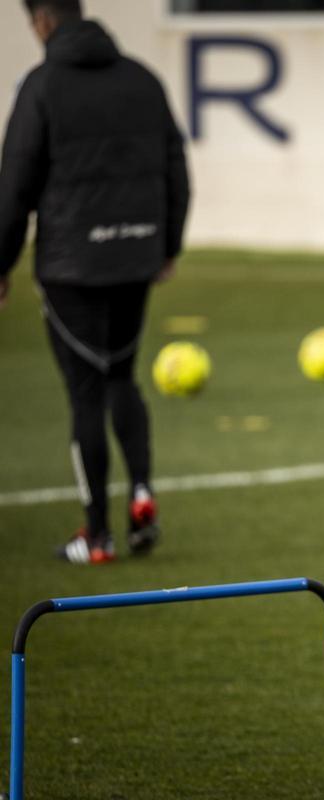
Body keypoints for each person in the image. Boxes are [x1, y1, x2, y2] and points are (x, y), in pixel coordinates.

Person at [0, 0, 190, 563]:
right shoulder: (142, 80)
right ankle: (141, 494)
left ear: (40, 21)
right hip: (134, 258)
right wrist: (167, 246)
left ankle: (96, 535)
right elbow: (176, 169)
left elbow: (14, 188)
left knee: (85, 393)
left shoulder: (41, 85)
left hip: (71, 269)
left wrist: (1, 264)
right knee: (122, 378)